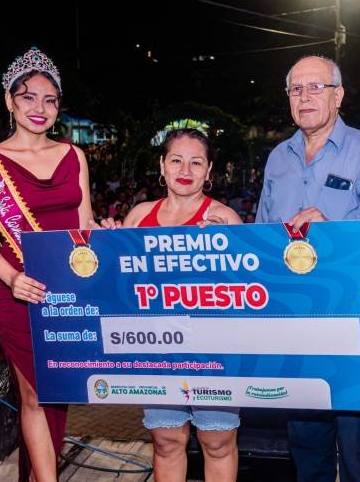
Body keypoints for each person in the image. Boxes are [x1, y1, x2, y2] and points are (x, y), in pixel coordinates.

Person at [256, 55, 360, 482]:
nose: (305, 97)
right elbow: (264, 232)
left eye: (316, 87)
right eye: (296, 89)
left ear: (338, 95)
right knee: (304, 430)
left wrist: (332, 230)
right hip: (291, 311)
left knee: (354, 432)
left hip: (349, 309)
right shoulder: (278, 157)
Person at [0, 47, 93, 482]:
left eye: (50, 100)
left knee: (59, 395)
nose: (40, 108)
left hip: (70, 294)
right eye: (28, 97)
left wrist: (104, 235)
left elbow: (85, 223)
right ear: (9, 101)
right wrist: (13, 277)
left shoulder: (75, 156)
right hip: (20, 294)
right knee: (35, 396)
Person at [101, 128, 243, 482]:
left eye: (197, 162)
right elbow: (119, 289)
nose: (186, 169)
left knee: (218, 440)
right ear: (162, 166)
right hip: (156, 346)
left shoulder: (225, 219)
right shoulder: (138, 216)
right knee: (165, 440)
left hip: (213, 348)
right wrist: (105, 248)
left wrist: (224, 251)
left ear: (209, 171)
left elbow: (243, 295)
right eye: (176, 160)